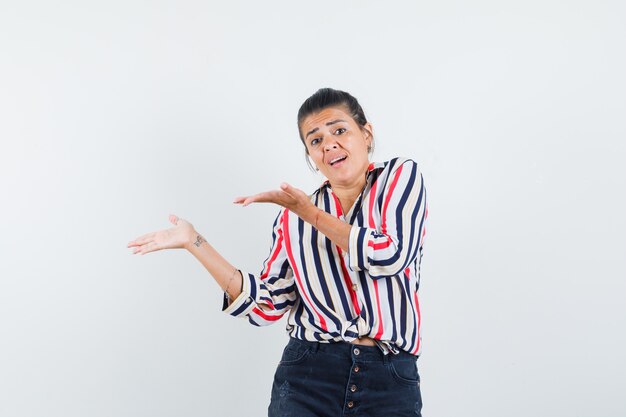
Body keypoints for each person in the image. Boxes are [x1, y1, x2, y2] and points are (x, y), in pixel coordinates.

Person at [127, 88, 428, 416]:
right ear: (311, 156)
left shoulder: (399, 177)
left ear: (366, 133)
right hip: (308, 377)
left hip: (390, 379)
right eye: (315, 140)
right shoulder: (291, 219)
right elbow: (266, 306)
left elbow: (390, 255)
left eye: (339, 130)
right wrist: (195, 242)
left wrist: (309, 213)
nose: (329, 144)